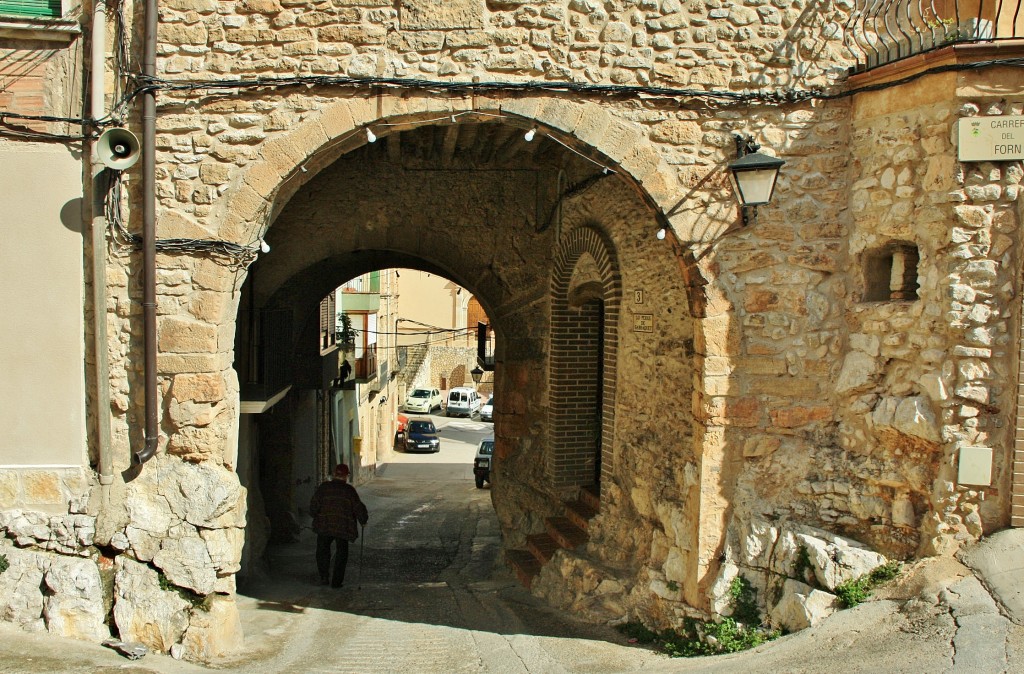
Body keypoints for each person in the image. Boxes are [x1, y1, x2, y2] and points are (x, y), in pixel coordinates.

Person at [309, 463, 368, 588]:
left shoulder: (324, 488)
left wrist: (314, 514)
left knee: (322, 551)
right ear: (346, 476)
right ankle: (336, 582)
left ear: (334, 474)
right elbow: (358, 507)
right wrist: (363, 520)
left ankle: (324, 577)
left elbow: (314, 505)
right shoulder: (349, 491)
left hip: (324, 525)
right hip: (343, 527)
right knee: (342, 553)